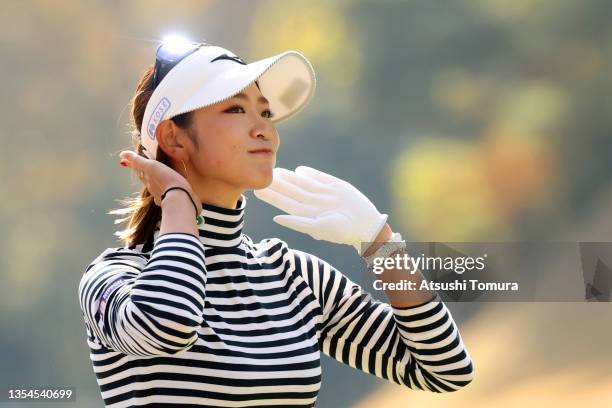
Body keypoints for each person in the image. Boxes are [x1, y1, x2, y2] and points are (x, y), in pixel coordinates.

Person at [77, 37, 474, 408]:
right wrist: (178, 202)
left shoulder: (294, 276)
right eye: (235, 108)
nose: (264, 127)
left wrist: (381, 243)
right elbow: (168, 323)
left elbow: (444, 369)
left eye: (265, 111)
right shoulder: (116, 277)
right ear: (174, 138)